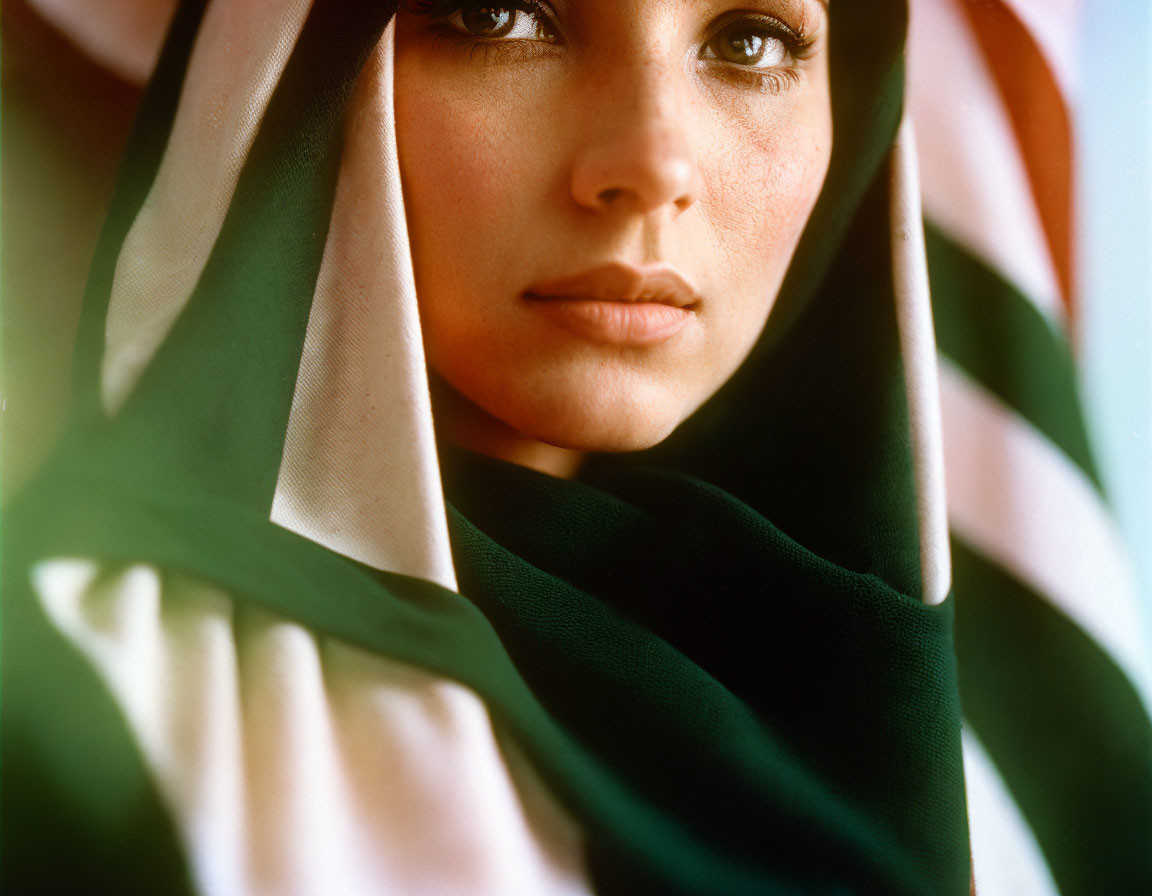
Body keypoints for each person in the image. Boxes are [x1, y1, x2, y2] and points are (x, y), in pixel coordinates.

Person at [3, 1, 973, 893]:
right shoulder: (75, 713)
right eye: (497, 15)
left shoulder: (952, 748)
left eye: (749, 40)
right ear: (307, 70)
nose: (651, 164)